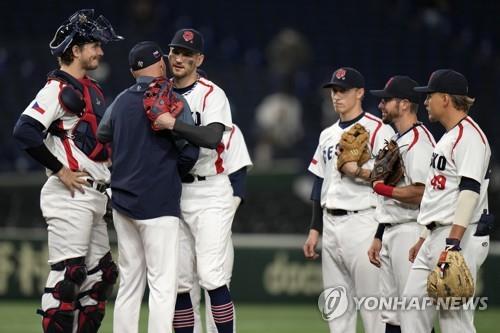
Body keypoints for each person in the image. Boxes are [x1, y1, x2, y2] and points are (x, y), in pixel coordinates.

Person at [12, 9, 122, 333]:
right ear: (76, 49)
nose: (101, 51)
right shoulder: (57, 89)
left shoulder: (91, 90)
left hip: (93, 196)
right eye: (95, 44)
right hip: (69, 195)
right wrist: (60, 170)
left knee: (100, 280)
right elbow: (24, 131)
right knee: (68, 280)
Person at [96, 41, 199, 333]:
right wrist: (171, 170)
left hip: (124, 202)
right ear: (161, 64)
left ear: (133, 71)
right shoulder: (169, 97)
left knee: (130, 282)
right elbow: (191, 150)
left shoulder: (121, 100)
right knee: (162, 285)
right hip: (158, 203)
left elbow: (103, 132)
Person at [153, 28, 234, 333]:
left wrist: (172, 124)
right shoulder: (159, 92)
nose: (180, 58)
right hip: (174, 190)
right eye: (175, 51)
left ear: (199, 59)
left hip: (209, 190)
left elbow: (213, 137)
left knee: (212, 275)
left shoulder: (212, 93)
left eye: (188, 54)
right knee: (180, 281)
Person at [302, 67, 394, 333]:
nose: (337, 96)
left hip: (363, 220)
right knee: (337, 311)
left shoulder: (378, 130)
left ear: (360, 93)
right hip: (330, 225)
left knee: (373, 309)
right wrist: (314, 228)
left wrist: (359, 171)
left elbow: (390, 179)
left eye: (343, 90)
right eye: (334, 91)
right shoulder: (326, 134)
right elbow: (320, 182)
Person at [400, 69, 492, 332]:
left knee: (454, 321)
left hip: (457, 235)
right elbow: (435, 192)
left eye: (429, 96)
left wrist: (453, 243)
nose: (425, 102)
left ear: (445, 98)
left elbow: (470, 190)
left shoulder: (470, 137)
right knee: (411, 309)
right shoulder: (449, 137)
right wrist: (422, 236)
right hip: (434, 234)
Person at [366, 76, 436, 332]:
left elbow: (422, 192)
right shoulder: (399, 139)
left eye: (387, 100)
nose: (381, 105)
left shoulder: (419, 142)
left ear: (405, 104)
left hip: (411, 231)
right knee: (392, 315)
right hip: (392, 229)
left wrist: (383, 188)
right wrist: (379, 235)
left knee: (414, 315)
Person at [188, 123, 253, 333]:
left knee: (216, 283)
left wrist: (223, 216)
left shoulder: (230, 129)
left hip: (216, 212)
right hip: (182, 206)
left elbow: (239, 181)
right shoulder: (180, 123)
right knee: (185, 291)